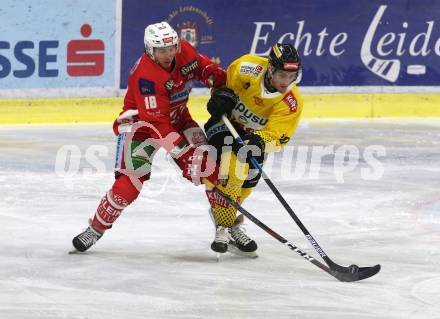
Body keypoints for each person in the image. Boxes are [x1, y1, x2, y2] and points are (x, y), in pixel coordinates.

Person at [71, 21, 226, 252]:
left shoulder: (183, 50)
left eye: (171, 47)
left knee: (212, 167)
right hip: (140, 128)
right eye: (161, 50)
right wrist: (185, 154)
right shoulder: (146, 76)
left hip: (179, 118)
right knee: (130, 183)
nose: (168, 54)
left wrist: (218, 84)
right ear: (149, 49)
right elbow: (158, 125)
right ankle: (95, 229)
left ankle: (227, 227)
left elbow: (205, 69)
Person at [204, 43, 304, 257]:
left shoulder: (291, 102)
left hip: (254, 138)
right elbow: (224, 87)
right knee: (233, 169)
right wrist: (220, 97)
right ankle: (222, 228)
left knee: (248, 182)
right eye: (281, 75)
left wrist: (258, 142)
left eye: (291, 76)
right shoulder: (246, 67)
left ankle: (230, 222)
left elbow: (278, 136)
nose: (286, 82)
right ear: (270, 69)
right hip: (225, 125)